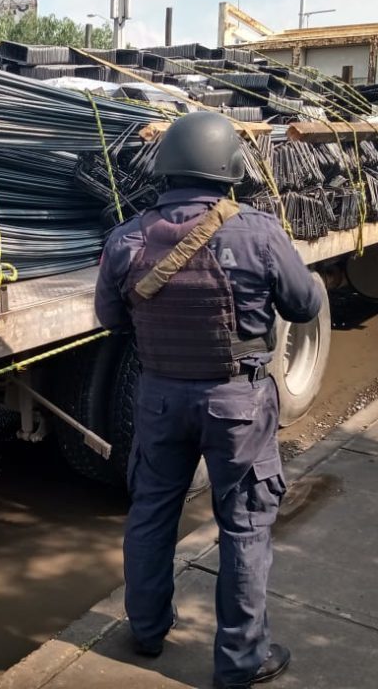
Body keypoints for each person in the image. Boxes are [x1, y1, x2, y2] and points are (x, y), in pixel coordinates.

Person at [94, 111, 322, 689]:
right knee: (244, 526)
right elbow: (303, 305)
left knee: (151, 513)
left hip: (159, 399)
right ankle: (241, 663)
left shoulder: (125, 237)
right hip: (238, 405)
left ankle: (147, 631)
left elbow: (111, 319)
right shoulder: (259, 231)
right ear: (229, 169)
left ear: (168, 166)